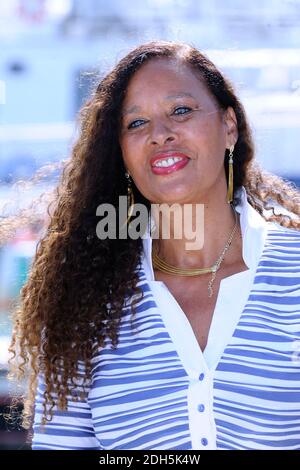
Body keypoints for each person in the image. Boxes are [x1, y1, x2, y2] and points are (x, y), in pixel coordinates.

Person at [8, 40, 300, 450]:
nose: (160, 135)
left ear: (228, 125)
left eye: (181, 111)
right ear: (123, 154)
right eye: (136, 124)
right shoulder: (81, 303)